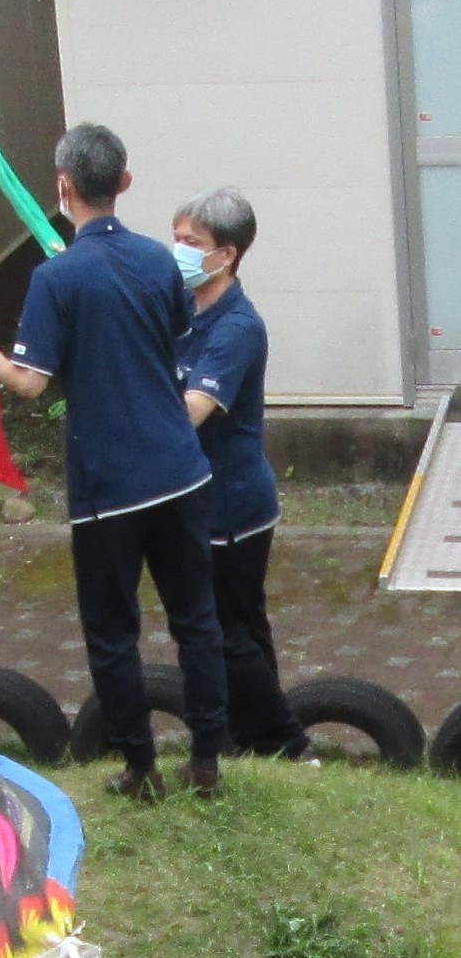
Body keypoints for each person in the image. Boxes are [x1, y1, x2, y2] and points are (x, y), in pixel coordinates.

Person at [0, 123, 227, 800]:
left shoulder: (55, 277)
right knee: (196, 618)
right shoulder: (159, 262)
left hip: (110, 487)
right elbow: (171, 337)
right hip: (181, 469)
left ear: (62, 187)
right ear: (125, 183)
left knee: (114, 633)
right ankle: (206, 759)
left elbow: (31, 380)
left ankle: (140, 769)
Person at [173, 188, 315, 762]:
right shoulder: (184, 310)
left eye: (192, 244)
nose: (178, 251)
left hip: (230, 507)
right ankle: (249, 740)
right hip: (208, 499)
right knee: (243, 629)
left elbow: (192, 411)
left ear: (226, 254)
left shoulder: (237, 328)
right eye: (177, 238)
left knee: (226, 633)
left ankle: (290, 742)